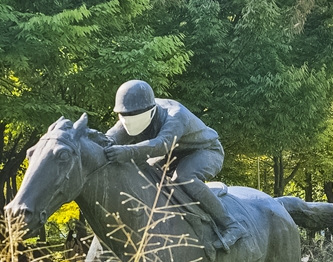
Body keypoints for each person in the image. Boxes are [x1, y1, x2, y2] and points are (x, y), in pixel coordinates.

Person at [104, 80, 245, 251]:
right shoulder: (133, 112)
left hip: (205, 151)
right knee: (143, 173)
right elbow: (109, 139)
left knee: (184, 178)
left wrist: (127, 151)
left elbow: (162, 144)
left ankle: (231, 225)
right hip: (170, 154)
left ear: (150, 111)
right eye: (124, 116)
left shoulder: (176, 115)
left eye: (133, 116)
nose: (128, 122)